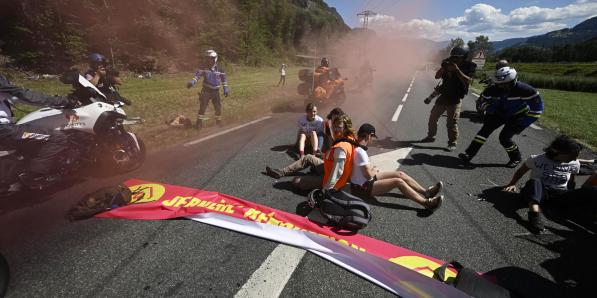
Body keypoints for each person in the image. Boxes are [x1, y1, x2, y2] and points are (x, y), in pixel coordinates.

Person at [503, 135, 597, 233]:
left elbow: (572, 180)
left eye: (576, 156)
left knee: (593, 190)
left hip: (558, 194)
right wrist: (512, 183)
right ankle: (534, 215)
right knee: (535, 181)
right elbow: (521, 171)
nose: (575, 159)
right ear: (559, 152)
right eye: (573, 155)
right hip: (538, 192)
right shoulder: (537, 159)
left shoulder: (575, 163)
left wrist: (572, 194)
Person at [459, 66, 544, 168]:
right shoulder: (491, 90)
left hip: (517, 116)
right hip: (497, 114)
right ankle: (469, 154)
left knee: (504, 138)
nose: (502, 86)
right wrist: (490, 109)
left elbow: (537, 109)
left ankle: (515, 158)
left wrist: (523, 123)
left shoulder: (526, 90)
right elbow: (481, 103)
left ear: (514, 80)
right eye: (500, 84)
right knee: (483, 133)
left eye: (505, 84)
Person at [350, 124, 444, 212]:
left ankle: (426, 192)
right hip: (362, 188)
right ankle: (426, 203)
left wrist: (371, 168)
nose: (372, 141)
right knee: (398, 182)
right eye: (372, 137)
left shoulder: (357, 147)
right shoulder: (360, 151)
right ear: (368, 135)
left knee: (400, 174)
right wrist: (372, 169)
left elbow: (364, 170)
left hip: (364, 181)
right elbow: (368, 175)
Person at [0, 74, 72, 188]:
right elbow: (25, 95)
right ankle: (33, 175)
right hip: (4, 130)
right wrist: (60, 100)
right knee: (57, 138)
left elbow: (15, 97)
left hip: (5, 129)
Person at [421, 45, 477, 151]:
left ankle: (452, 142)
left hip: (455, 98)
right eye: (453, 57)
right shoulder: (447, 63)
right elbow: (437, 76)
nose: (454, 59)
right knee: (432, 118)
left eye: (457, 57)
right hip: (444, 96)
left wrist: (456, 70)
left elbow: (469, 81)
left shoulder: (469, 66)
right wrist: (444, 68)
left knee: (451, 123)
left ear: (463, 57)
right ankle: (431, 136)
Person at [265, 108, 344, 181]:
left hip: (334, 170)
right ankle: (282, 172)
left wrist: (325, 156)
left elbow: (339, 159)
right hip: (330, 164)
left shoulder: (344, 138)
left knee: (298, 179)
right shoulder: (329, 127)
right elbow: (328, 145)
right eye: (333, 119)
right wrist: (323, 154)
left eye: (337, 122)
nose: (334, 125)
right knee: (312, 156)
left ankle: (281, 172)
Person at [187, 49, 229, 130]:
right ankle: (198, 124)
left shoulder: (220, 69)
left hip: (216, 92)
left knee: (218, 108)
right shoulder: (203, 68)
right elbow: (197, 76)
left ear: (214, 59)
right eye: (206, 58)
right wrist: (192, 82)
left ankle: (218, 123)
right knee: (202, 108)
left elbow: (224, 79)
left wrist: (225, 88)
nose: (207, 60)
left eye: (209, 58)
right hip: (205, 92)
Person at [321, 114, 357, 190]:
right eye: (334, 126)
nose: (335, 129)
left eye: (339, 127)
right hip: (330, 168)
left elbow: (337, 173)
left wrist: (325, 191)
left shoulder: (340, 148)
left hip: (333, 184)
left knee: (297, 181)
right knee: (309, 158)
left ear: (346, 129)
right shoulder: (350, 138)